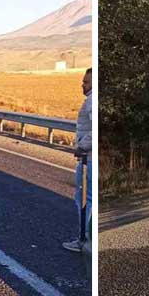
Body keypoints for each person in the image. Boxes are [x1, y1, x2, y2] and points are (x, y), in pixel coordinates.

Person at [63, 68, 92, 253]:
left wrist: (82, 146)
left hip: (88, 159)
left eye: (87, 82)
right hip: (88, 158)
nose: (83, 84)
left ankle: (84, 239)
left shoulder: (91, 102)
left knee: (84, 199)